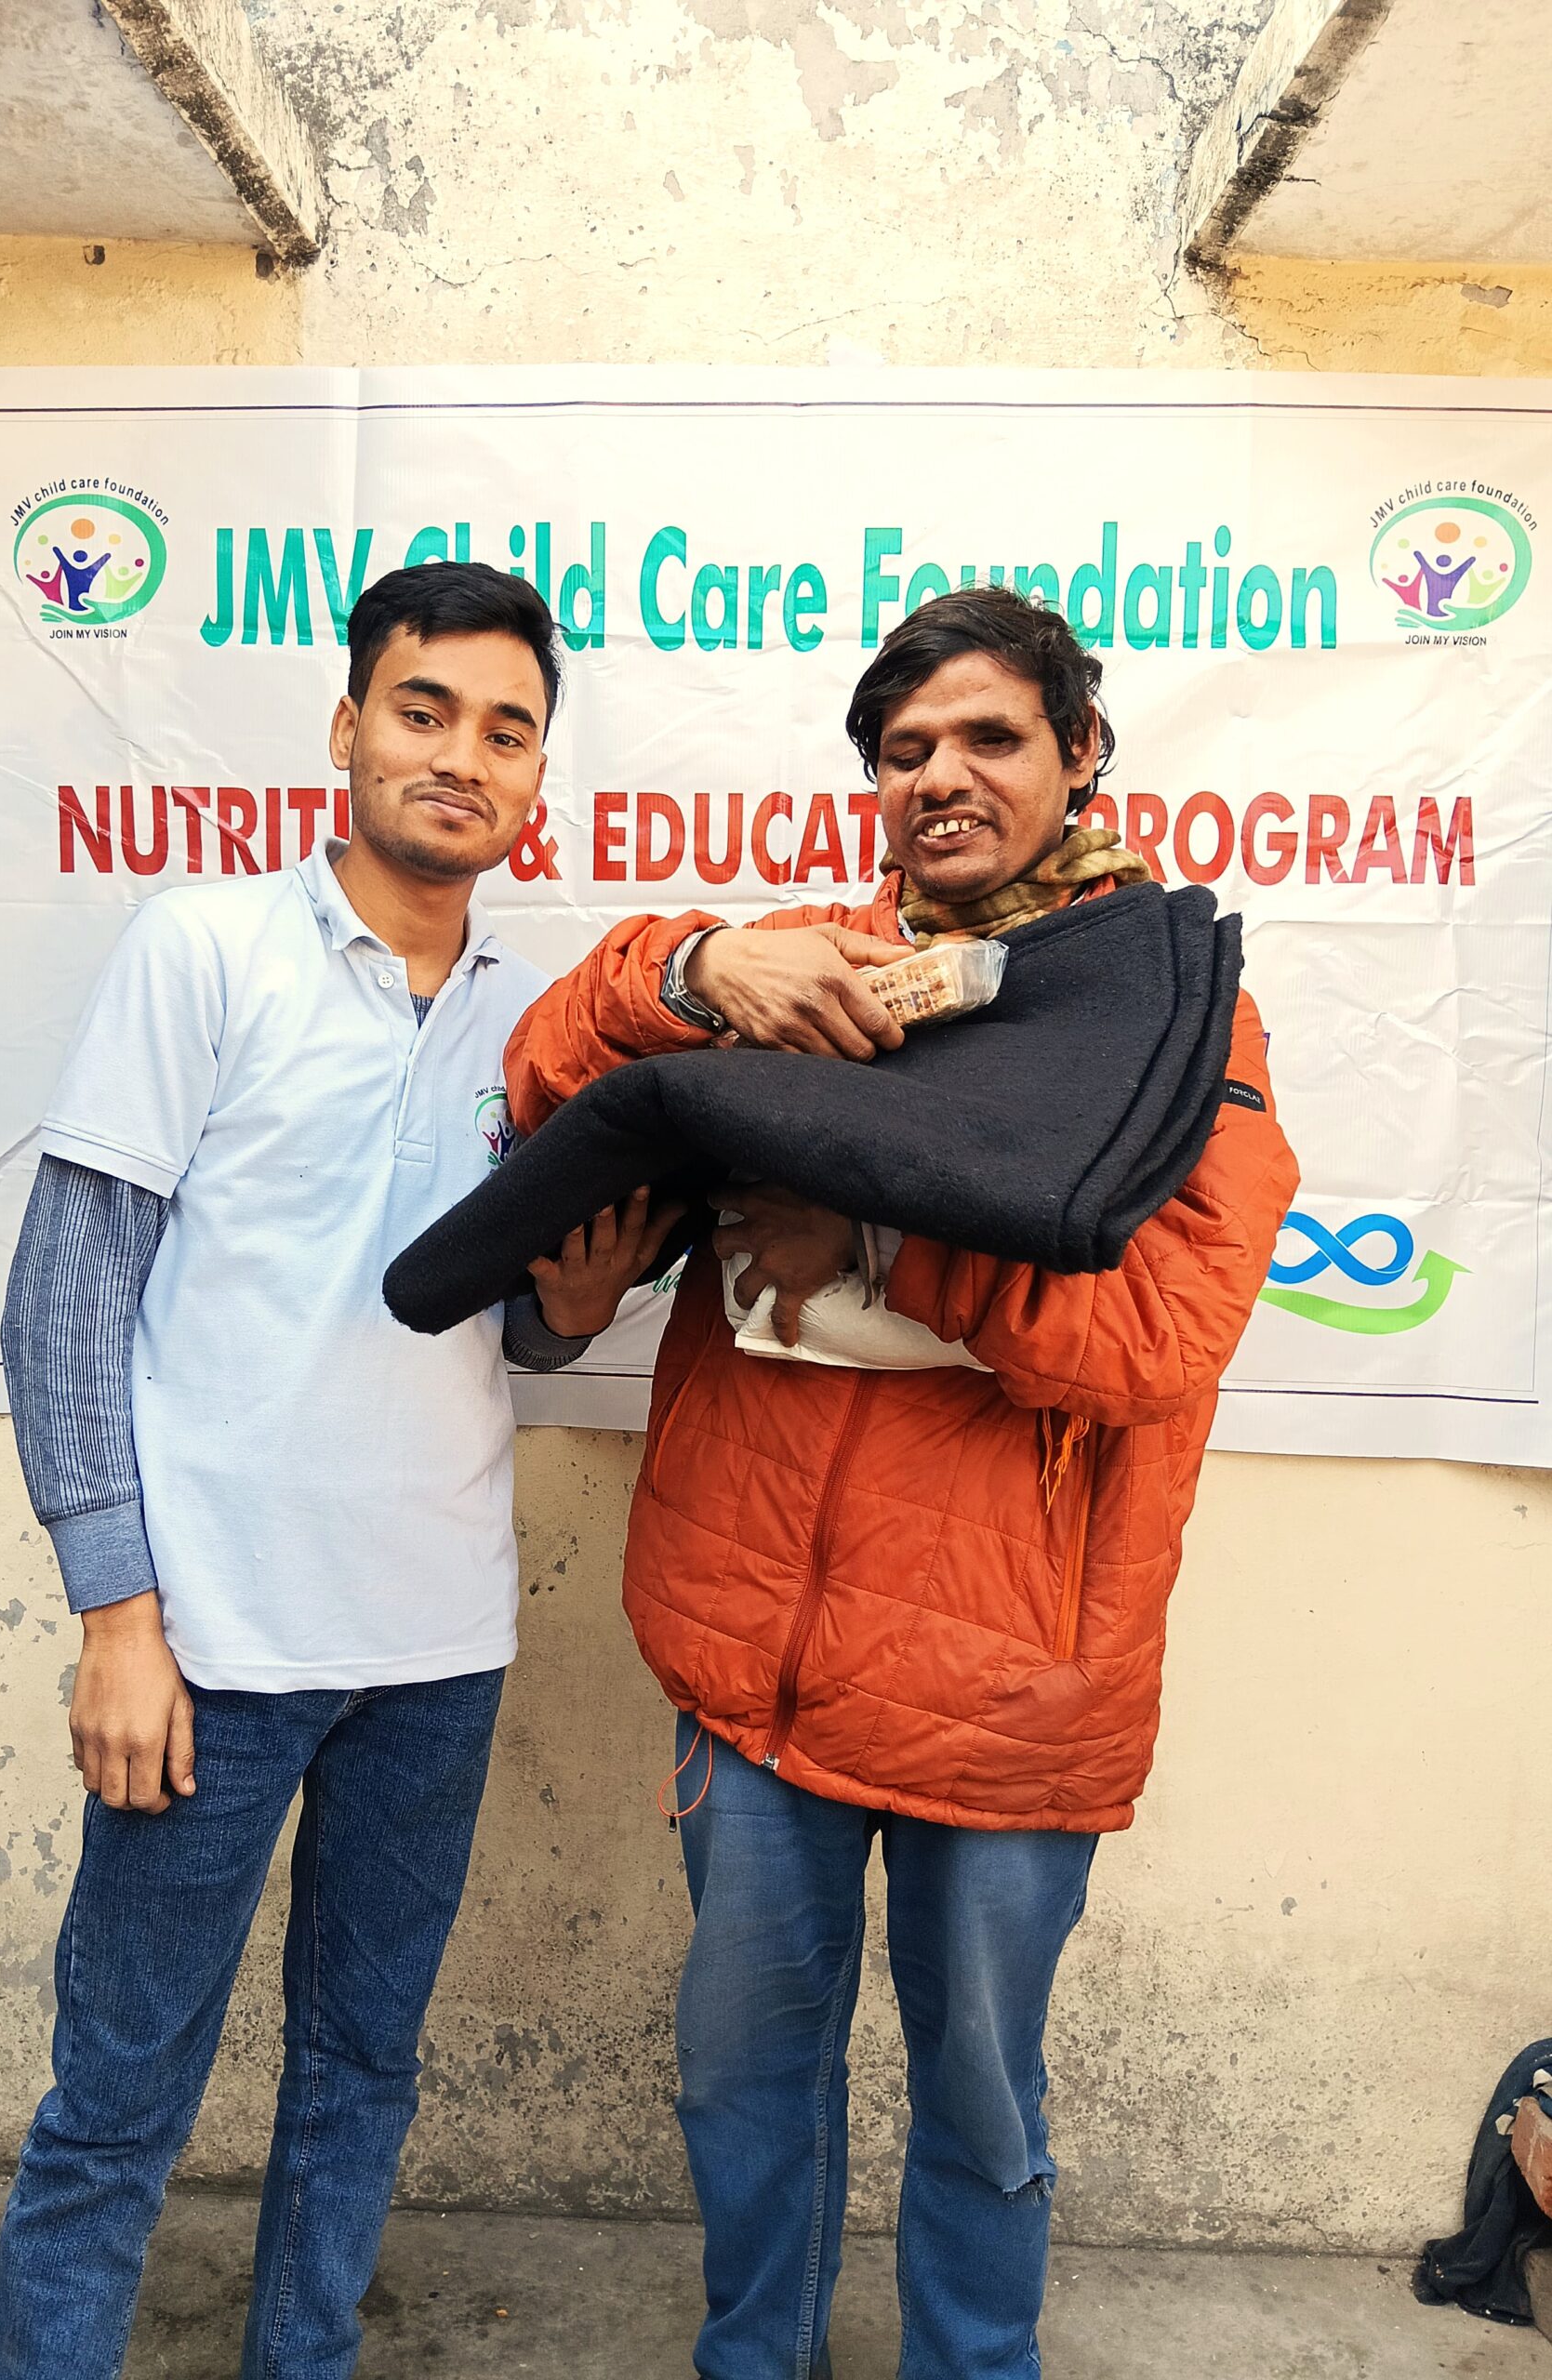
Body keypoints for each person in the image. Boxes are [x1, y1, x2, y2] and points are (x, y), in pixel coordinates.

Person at [505, 586, 1299, 2380]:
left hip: (1010, 1707)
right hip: (756, 1678)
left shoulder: (1177, 1021)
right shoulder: (818, 972)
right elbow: (551, 1064)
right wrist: (694, 965)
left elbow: (1163, 1331)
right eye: (904, 750)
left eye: (989, 738)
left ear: (1081, 756)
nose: (940, 776)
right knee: (745, 2100)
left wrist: (875, 1239)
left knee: (980, 2113)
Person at [0, 562, 670, 2380]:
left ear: (539, 774)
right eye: (424, 709)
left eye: (505, 728)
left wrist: (573, 1314)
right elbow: (65, 1304)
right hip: (207, 1644)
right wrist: (117, 1612)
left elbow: (494, 1334)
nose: (462, 754)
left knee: (359, 2075)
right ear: (348, 725)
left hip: (432, 1649)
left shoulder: (541, 1028)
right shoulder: (201, 949)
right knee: (117, 2104)